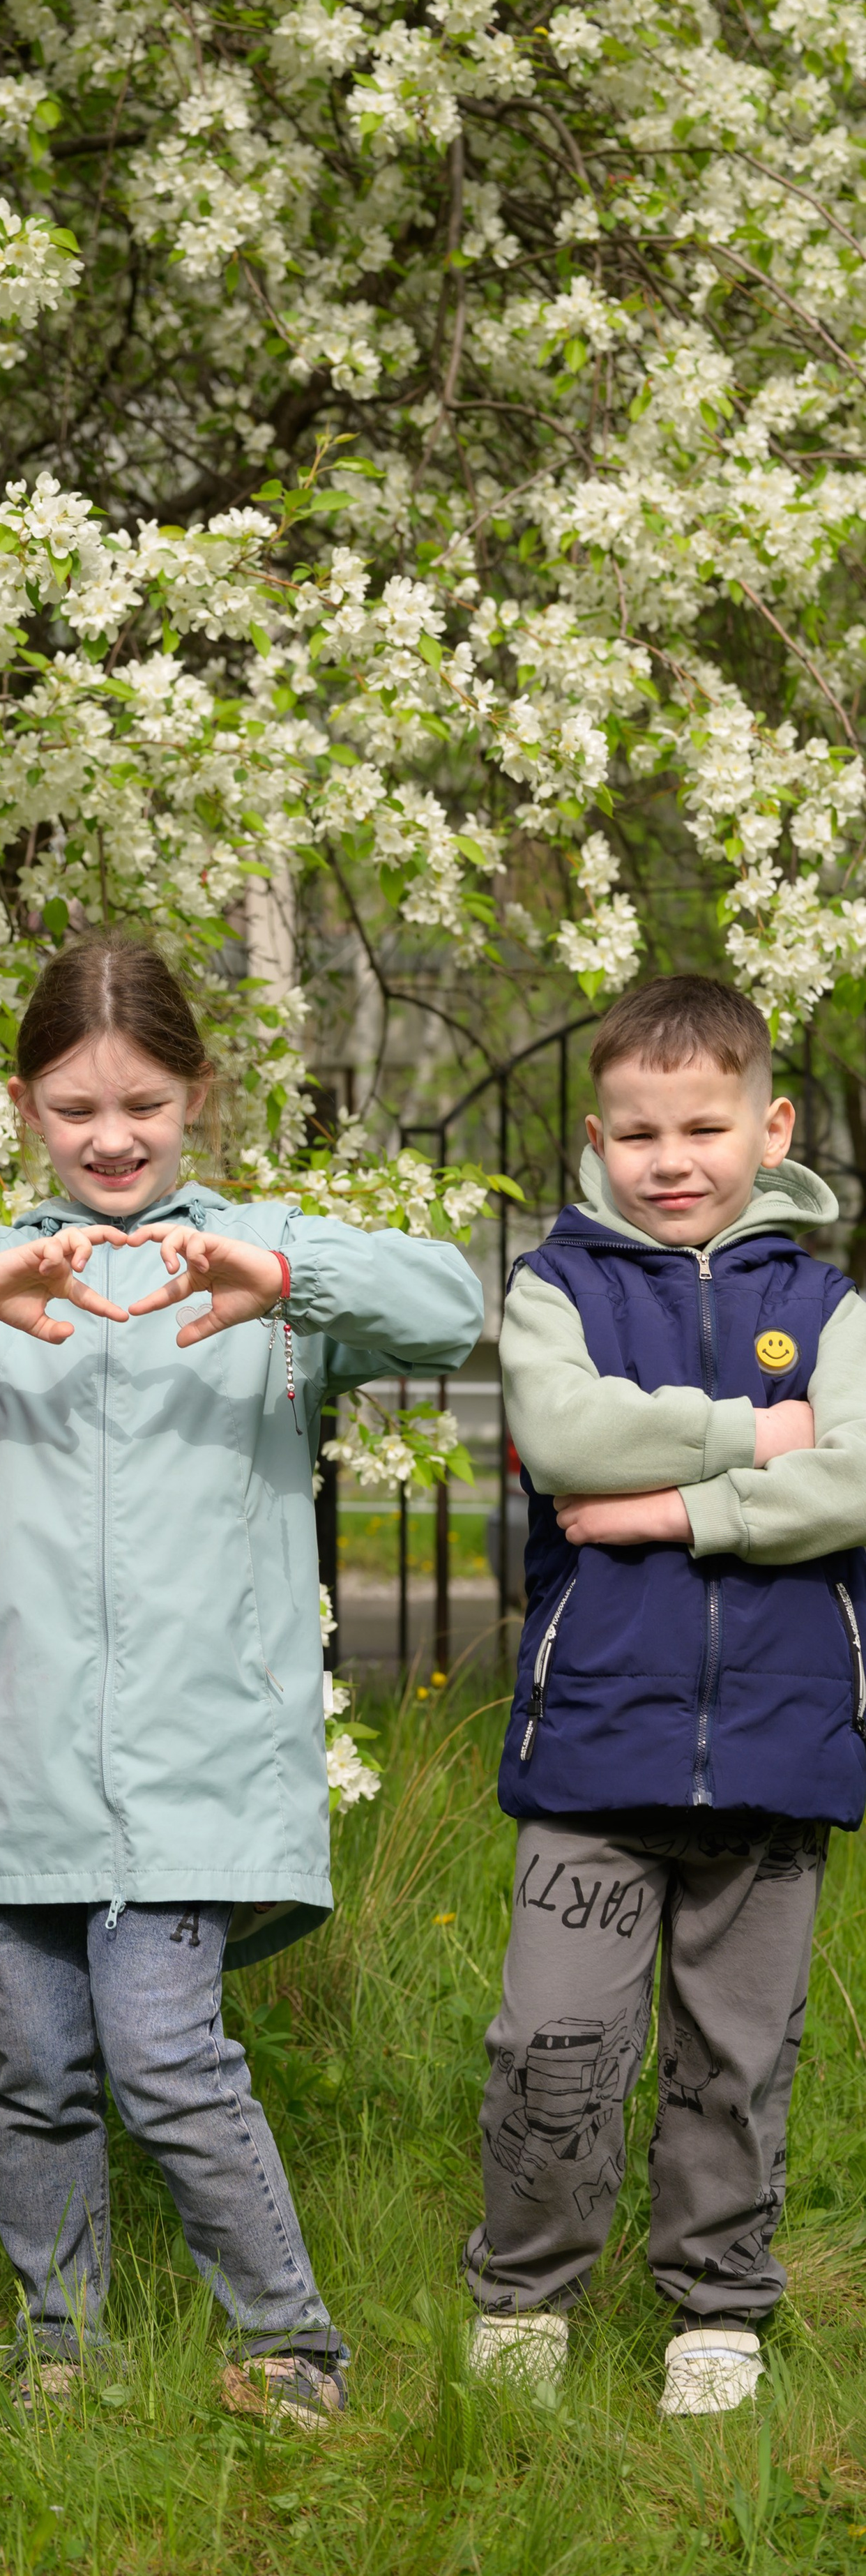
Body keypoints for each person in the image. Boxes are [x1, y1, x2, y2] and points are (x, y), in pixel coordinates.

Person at [0, 934, 485, 2424]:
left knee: (166, 2053)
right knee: (33, 2069)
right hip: (18, 1754)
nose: (111, 1136)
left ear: (197, 1096)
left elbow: (448, 1306)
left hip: (199, 1758)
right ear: (25, 1106)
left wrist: (285, 1272)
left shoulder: (259, 1267)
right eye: (73, 1105)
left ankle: (291, 2344)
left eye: (145, 1104)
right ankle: (64, 2348)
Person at [464, 974, 866, 2420]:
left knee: (734, 2054)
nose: (671, 1158)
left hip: (775, 1752)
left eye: (703, 1125)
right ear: (594, 1137)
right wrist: (749, 1436)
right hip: (593, 1752)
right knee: (552, 2043)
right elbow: (561, 1430)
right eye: (639, 1132)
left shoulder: (826, 1306)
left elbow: (857, 1479)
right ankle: (523, 2290)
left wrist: (665, 1513)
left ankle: (716, 2300)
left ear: (771, 1127)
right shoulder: (555, 1288)